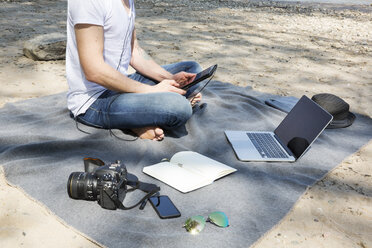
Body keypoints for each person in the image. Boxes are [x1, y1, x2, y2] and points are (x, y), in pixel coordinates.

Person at [66, 0, 202, 141]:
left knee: (192, 69)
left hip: (120, 85)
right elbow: (94, 71)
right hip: (93, 102)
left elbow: (134, 52)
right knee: (180, 107)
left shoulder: (127, 2)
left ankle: (136, 116)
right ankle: (134, 120)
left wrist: (170, 79)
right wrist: (152, 90)